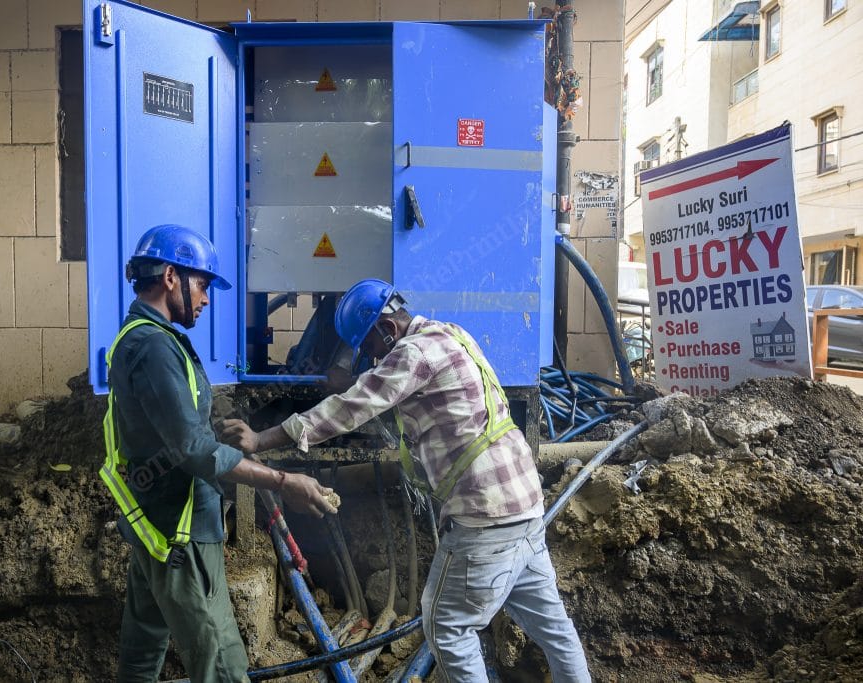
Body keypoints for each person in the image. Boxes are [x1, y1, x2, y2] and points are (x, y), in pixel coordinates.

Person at [221, 278, 590, 682]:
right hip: (525, 507)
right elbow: (397, 389)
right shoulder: (449, 333)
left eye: (369, 347)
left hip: (484, 514)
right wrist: (358, 382)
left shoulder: (413, 352)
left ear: (386, 329)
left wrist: (261, 439)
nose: (370, 357)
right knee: (555, 629)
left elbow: (348, 410)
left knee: (446, 628)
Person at [102, 224, 336, 683]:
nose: (206, 299)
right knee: (221, 662)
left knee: (143, 650)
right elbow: (192, 451)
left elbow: (171, 433)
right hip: (181, 531)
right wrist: (284, 481)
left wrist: (213, 433)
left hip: (153, 524)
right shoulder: (154, 346)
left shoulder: (142, 336)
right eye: (203, 285)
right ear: (171, 276)